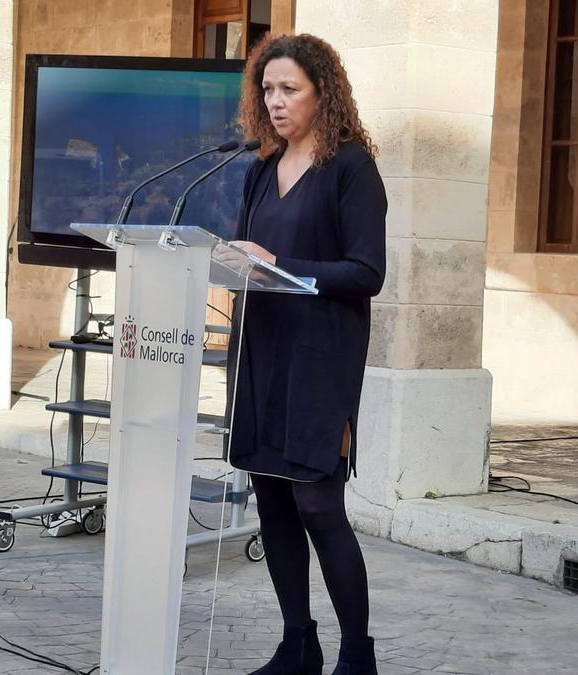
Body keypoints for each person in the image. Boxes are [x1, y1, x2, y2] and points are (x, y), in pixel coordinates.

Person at [226, 33, 386, 675]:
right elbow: (248, 256)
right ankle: (299, 644)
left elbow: (366, 272)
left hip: (321, 360)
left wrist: (282, 266)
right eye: (268, 89)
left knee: (319, 504)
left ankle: (357, 655)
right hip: (262, 353)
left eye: (290, 88)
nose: (276, 101)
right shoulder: (260, 169)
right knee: (272, 499)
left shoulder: (350, 167)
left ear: (324, 92)